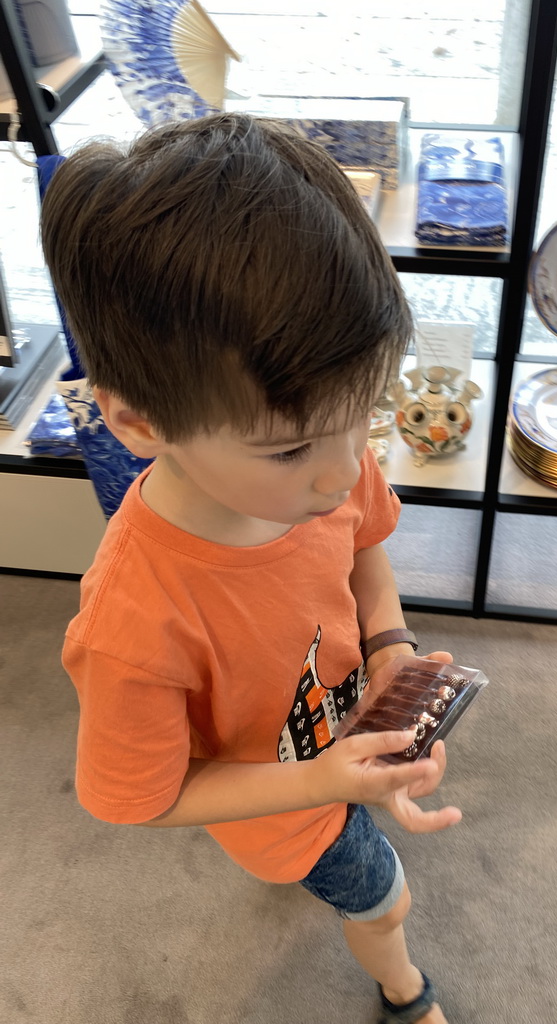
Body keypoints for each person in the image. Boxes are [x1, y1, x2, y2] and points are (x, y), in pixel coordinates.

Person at [41, 112, 462, 1024]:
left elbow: (362, 547)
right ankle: (404, 990)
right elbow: (144, 800)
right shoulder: (133, 624)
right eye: (290, 449)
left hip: (330, 744)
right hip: (287, 806)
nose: (343, 470)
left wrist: (388, 645)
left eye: (367, 415)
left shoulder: (326, 453)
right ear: (142, 424)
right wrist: (332, 783)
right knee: (384, 898)